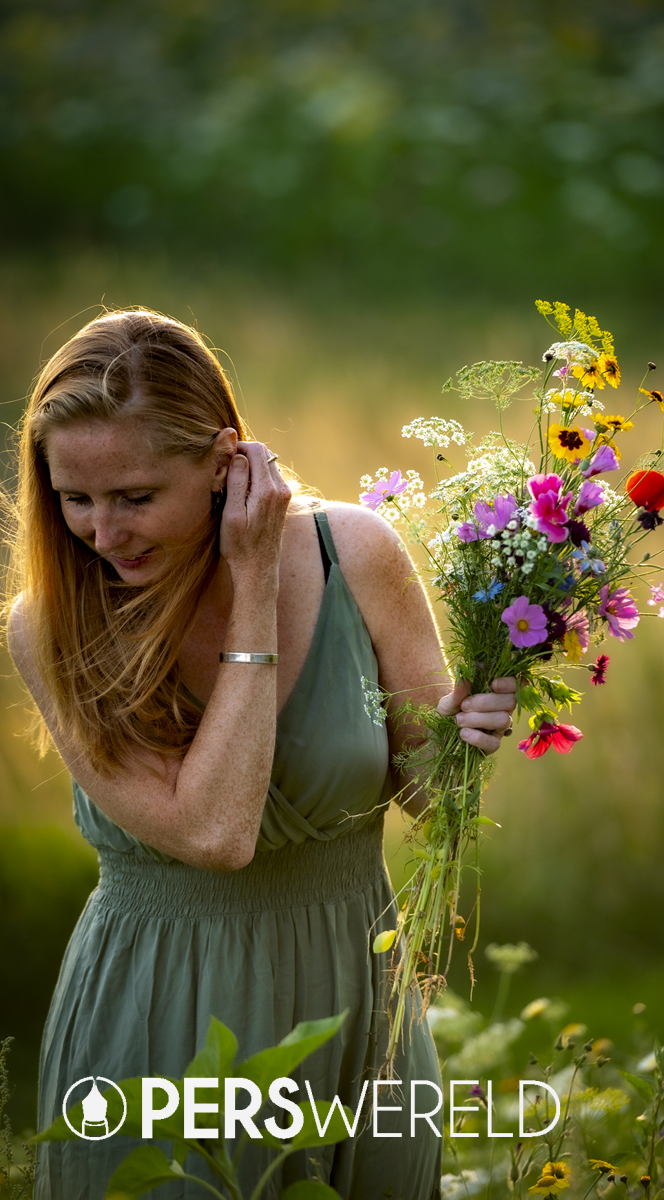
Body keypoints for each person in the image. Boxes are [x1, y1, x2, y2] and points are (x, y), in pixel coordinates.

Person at [6, 308, 517, 1200]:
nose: (102, 532)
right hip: (163, 1006)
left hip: (354, 998)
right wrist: (252, 588)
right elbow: (216, 834)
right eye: (73, 497)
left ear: (221, 462)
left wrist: (468, 738)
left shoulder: (354, 553)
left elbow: (436, 805)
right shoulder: (50, 623)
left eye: (134, 496)